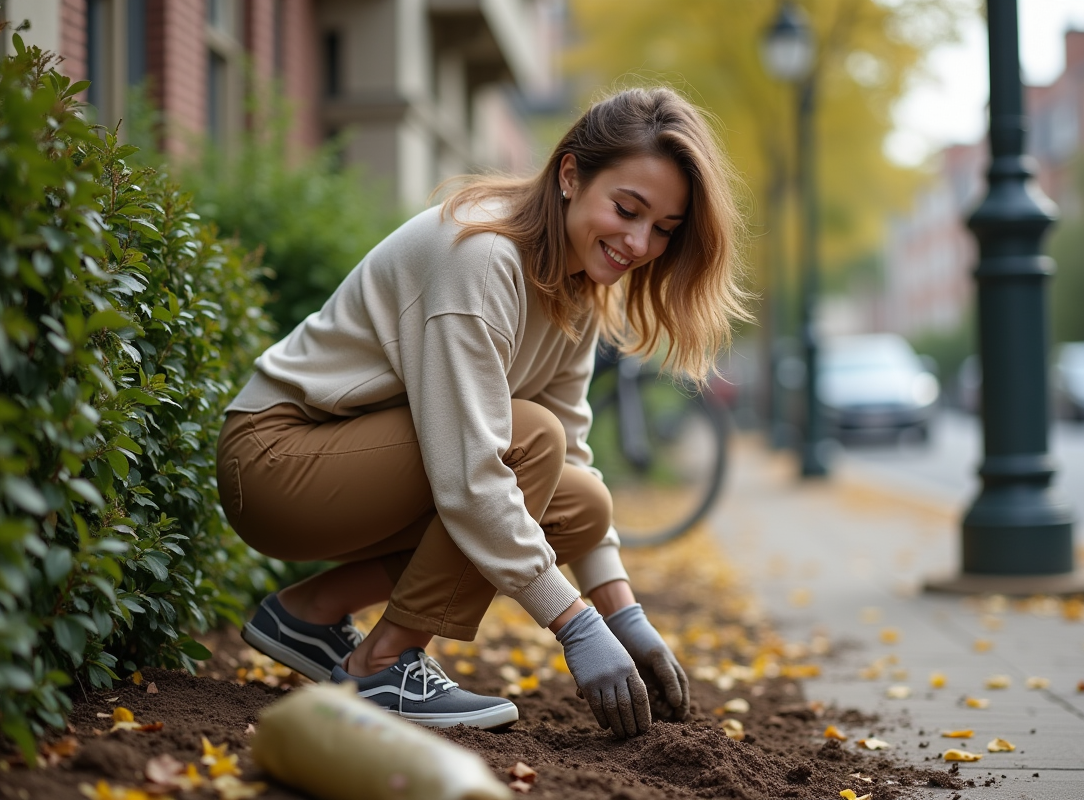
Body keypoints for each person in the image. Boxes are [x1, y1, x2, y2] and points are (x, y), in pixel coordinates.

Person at [215, 86, 750, 738]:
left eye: (664, 229)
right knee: (527, 442)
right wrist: (574, 625)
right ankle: (382, 664)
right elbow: (475, 474)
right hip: (275, 461)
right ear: (570, 174)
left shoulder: (580, 287)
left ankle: (313, 612)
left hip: (354, 464)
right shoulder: (483, 255)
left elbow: (570, 460)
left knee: (579, 499)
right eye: (628, 209)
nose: (639, 243)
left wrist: (623, 616)